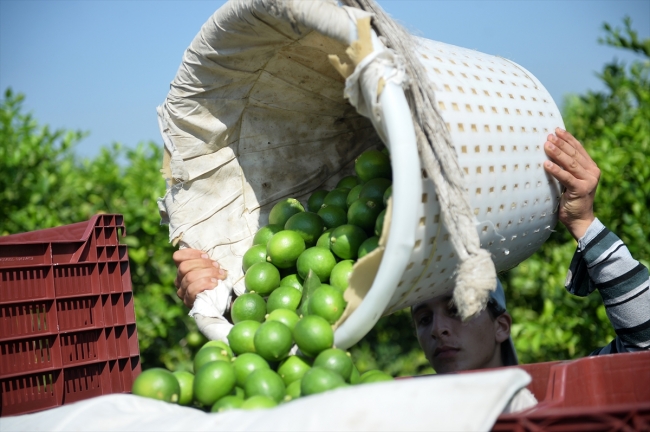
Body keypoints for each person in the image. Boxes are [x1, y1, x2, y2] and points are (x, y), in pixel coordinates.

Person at [173, 128, 650, 374]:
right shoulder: (408, 411)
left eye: (458, 309)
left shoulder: (547, 393)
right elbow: (283, 365)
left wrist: (582, 223)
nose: (438, 329)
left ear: (502, 323)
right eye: (423, 318)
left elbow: (642, 349)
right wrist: (226, 309)